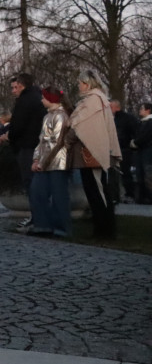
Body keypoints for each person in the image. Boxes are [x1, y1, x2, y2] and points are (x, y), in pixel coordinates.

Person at [66, 70, 122, 240]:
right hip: (91, 152)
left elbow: (79, 125)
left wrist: (67, 139)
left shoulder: (93, 100)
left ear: (88, 83)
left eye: (80, 83)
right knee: (95, 190)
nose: (78, 86)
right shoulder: (98, 99)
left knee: (97, 191)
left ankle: (104, 230)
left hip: (92, 152)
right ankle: (102, 228)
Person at [0, 73, 45, 229]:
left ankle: (37, 218)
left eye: (14, 87)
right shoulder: (37, 97)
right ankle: (39, 217)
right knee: (35, 183)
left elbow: (18, 125)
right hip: (36, 145)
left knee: (30, 182)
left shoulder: (25, 101)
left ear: (21, 86)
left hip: (27, 146)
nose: (13, 91)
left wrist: (7, 136)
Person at [28, 87, 72, 238]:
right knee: (37, 191)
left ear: (51, 99)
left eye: (44, 97)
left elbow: (57, 142)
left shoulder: (61, 116)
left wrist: (42, 163)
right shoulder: (47, 116)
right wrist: (36, 159)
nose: (41, 100)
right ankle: (42, 225)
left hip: (58, 161)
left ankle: (61, 228)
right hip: (44, 161)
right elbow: (41, 140)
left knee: (59, 194)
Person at [109, 99, 139, 203]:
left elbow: (136, 131)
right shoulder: (110, 119)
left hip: (124, 149)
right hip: (113, 150)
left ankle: (130, 194)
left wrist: (133, 143)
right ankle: (115, 195)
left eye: (111, 107)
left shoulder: (127, 118)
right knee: (114, 174)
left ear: (117, 107)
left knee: (125, 173)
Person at [134, 102, 152, 204]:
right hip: (141, 151)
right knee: (140, 174)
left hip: (148, 151)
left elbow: (145, 136)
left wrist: (135, 142)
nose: (140, 110)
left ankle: (149, 197)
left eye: (142, 108)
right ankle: (142, 197)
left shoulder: (149, 122)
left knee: (148, 174)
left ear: (148, 110)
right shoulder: (142, 122)